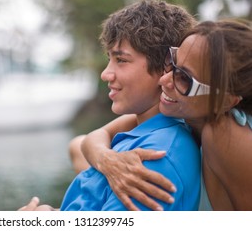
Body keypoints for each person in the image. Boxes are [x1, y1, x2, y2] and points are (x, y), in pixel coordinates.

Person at [19, 0, 200, 211]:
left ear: (166, 68)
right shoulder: (141, 129)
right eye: (109, 59)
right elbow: (80, 146)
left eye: (121, 60)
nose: (105, 73)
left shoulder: (156, 158)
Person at [70, 19, 252, 211]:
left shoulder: (226, 135)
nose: (164, 80)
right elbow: (88, 140)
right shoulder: (180, 113)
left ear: (225, 101)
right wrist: (109, 161)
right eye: (171, 63)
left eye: (184, 78)